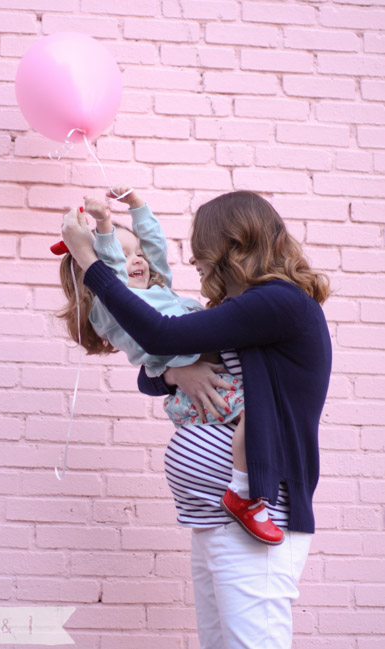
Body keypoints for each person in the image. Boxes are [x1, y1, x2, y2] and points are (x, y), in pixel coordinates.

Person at [60, 189, 332, 649]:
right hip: (212, 517)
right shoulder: (240, 312)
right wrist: (174, 370)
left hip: (260, 516)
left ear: (229, 243)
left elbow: (159, 332)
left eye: (201, 247)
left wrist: (92, 264)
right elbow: (153, 373)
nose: (195, 260)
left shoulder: (277, 303)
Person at [55, 187, 283, 545]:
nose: (138, 261)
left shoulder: (157, 292)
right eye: (125, 254)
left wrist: (139, 209)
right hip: (199, 397)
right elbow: (111, 274)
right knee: (261, 415)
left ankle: (249, 490)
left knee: (263, 418)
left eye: (138, 254)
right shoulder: (112, 304)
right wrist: (102, 226)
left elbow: (157, 255)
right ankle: (244, 495)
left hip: (200, 386)